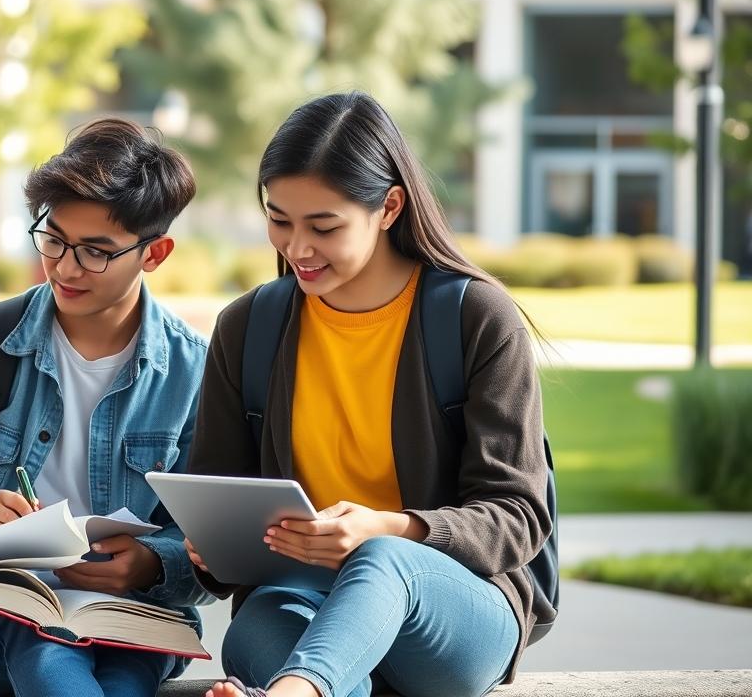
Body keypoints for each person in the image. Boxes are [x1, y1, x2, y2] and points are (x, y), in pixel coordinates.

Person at [189, 92, 553, 697]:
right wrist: (213, 545)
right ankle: (305, 687)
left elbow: (516, 516)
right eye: (279, 220)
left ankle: (295, 690)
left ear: (388, 208)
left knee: (379, 560)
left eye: (324, 226)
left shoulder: (474, 318)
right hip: (302, 604)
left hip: (450, 616)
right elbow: (219, 495)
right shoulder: (247, 327)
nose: (296, 248)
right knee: (258, 630)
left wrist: (390, 527)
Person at [0, 118, 214, 696]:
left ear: (155, 253)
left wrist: (150, 563)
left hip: (129, 619)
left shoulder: (197, 374)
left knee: (115, 679)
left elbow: (210, 549)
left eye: (96, 252)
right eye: (54, 239)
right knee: (45, 648)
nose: (65, 267)